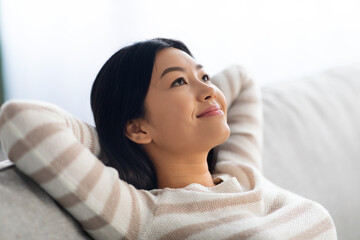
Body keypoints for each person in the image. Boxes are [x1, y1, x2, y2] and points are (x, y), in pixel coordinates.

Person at [0, 38, 337, 239]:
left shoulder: (242, 172)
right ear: (138, 128)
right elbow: (21, 120)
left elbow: (241, 80)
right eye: (178, 82)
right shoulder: (142, 215)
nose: (208, 90)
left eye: (204, 76)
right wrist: (117, 138)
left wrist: (194, 92)